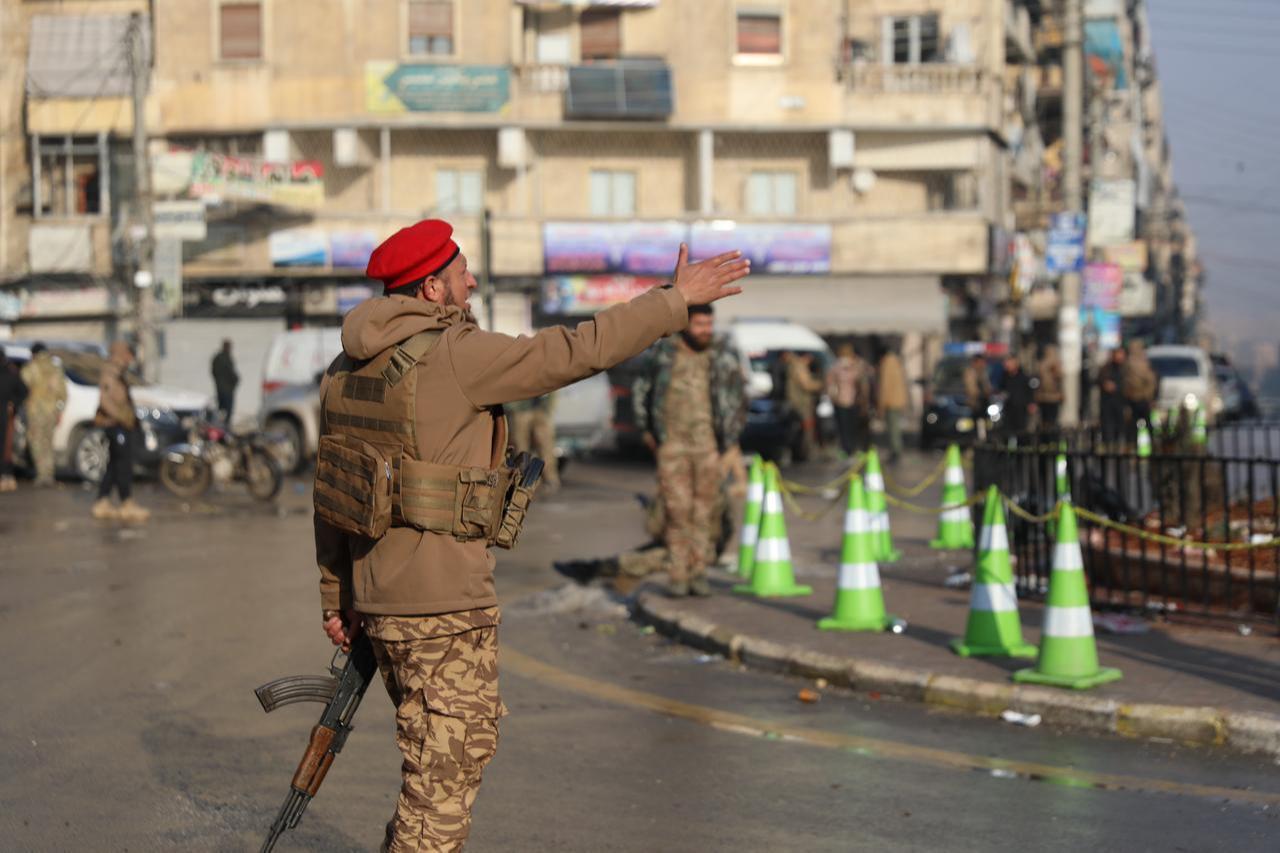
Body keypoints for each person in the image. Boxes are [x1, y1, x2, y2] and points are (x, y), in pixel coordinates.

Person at [313, 219, 748, 852]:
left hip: (380, 603)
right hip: (444, 608)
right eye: (463, 274)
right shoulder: (455, 354)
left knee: (428, 766)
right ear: (432, 289)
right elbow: (575, 349)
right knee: (443, 782)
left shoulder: (345, 367)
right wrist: (673, 300)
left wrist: (337, 596)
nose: (473, 282)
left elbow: (331, 492)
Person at [632, 302, 747, 597]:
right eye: (699, 325)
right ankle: (679, 573)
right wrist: (646, 428)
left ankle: (699, 571)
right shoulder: (664, 354)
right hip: (673, 445)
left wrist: (731, 437)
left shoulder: (721, 355)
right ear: (685, 325)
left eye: (708, 325)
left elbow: (737, 396)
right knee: (676, 510)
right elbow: (642, 389)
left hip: (708, 444)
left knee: (705, 511)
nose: (705, 331)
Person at [93, 342, 149, 523]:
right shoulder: (111, 372)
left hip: (120, 424)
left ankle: (103, 500)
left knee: (115, 463)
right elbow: (105, 400)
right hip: (115, 424)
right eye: (129, 354)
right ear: (121, 354)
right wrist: (122, 417)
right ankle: (126, 502)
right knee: (123, 463)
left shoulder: (118, 372)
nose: (131, 358)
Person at [20, 343, 67, 487]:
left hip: (36, 411)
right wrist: (59, 411)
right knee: (48, 442)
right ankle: (49, 474)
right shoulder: (55, 369)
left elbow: (22, 387)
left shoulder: (31, 368)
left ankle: (42, 475)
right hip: (52, 411)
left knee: (37, 442)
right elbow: (63, 394)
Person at [507, 393, 560, 492]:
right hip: (520, 408)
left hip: (541, 409)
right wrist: (512, 406)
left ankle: (550, 479)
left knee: (546, 445)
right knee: (521, 448)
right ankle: (524, 481)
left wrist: (549, 407)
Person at [826, 343, 871, 457]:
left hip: (840, 401)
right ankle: (855, 448)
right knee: (853, 427)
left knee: (843, 428)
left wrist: (833, 397)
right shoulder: (856, 366)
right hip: (854, 400)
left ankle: (846, 449)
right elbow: (863, 381)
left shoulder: (835, 367)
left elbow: (830, 383)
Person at [783, 350, 823, 452]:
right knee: (807, 428)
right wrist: (821, 385)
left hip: (796, 402)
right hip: (801, 402)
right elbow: (806, 384)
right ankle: (807, 450)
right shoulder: (799, 366)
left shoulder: (793, 364)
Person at [0, 350, 27, 493]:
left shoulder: (11, 373)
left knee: (6, 447)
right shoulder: (12, 372)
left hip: (6, 415)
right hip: (6, 413)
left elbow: (23, 391)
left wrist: (13, 404)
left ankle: (6, 476)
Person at [877, 344, 908, 463]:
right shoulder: (896, 362)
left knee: (892, 428)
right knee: (895, 427)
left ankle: (895, 451)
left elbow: (884, 386)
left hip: (890, 401)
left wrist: (881, 404)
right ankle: (896, 450)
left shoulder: (887, 364)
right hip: (898, 400)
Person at [1122, 339, 1159, 434]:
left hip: (1136, 397)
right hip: (1140, 397)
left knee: (1135, 424)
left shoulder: (1131, 363)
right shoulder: (1141, 362)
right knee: (1145, 423)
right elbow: (1151, 381)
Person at [1097, 347, 1127, 448]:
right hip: (1107, 405)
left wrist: (1117, 387)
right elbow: (1099, 380)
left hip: (1120, 404)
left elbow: (1128, 385)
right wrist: (1105, 384)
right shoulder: (1106, 368)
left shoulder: (1125, 369)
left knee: (1119, 431)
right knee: (1107, 430)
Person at [999, 355, 1035, 439]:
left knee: (1021, 434)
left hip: (1021, 409)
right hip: (1008, 409)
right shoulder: (1004, 377)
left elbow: (1029, 392)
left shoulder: (1023, 377)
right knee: (1006, 433)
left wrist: (1031, 403)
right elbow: (1000, 391)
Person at [1034, 344, 1063, 432]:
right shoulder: (1042, 364)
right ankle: (1046, 440)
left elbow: (1059, 379)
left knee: (1052, 420)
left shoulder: (1056, 364)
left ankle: (1052, 440)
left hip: (1053, 397)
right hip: (1044, 397)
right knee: (1045, 421)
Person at [211, 339, 239, 424]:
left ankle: (221, 425)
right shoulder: (224, 358)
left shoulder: (220, 357)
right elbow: (231, 373)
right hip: (226, 389)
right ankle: (224, 426)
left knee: (222, 410)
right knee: (226, 411)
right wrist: (235, 380)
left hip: (222, 388)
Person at [963, 353, 992, 434]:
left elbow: (987, 386)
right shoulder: (970, 372)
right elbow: (971, 388)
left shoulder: (983, 373)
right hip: (974, 404)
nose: (983, 364)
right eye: (981, 362)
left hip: (983, 403)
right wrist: (980, 394)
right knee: (974, 424)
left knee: (983, 423)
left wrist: (988, 392)